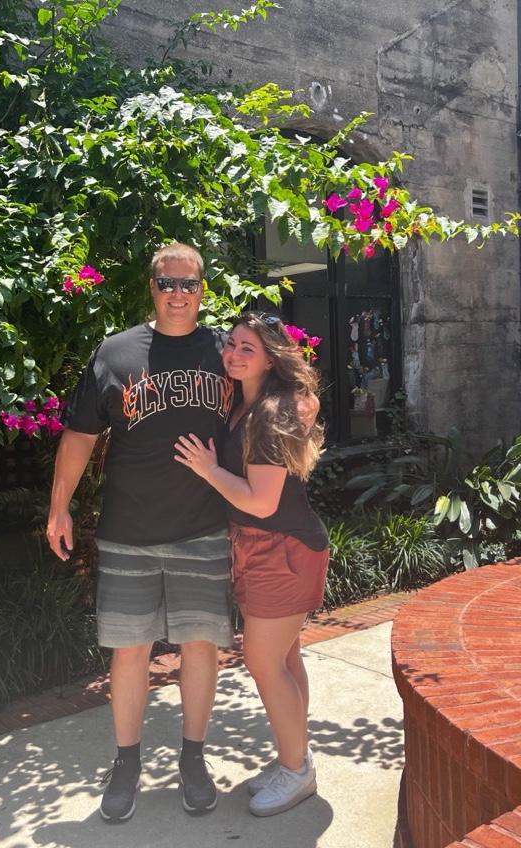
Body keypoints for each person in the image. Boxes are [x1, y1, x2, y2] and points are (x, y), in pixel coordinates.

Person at [46, 243, 234, 823]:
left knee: (200, 647)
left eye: (189, 284)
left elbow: (272, 404)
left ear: (202, 289)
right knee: (130, 652)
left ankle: (193, 758)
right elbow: (80, 435)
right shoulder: (116, 352)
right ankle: (126, 763)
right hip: (129, 531)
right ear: (151, 287)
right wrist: (59, 508)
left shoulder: (225, 351)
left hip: (204, 529)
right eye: (167, 283)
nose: (178, 294)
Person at [174, 311, 329, 817]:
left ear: (269, 358)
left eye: (248, 348)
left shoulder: (270, 413)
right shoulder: (248, 404)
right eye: (232, 344)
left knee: (263, 662)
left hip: (281, 548)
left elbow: (261, 501)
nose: (234, 354)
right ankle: (294, 757)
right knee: (284, 659)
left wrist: (207, 469)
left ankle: (297, 770)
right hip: (264, 545)